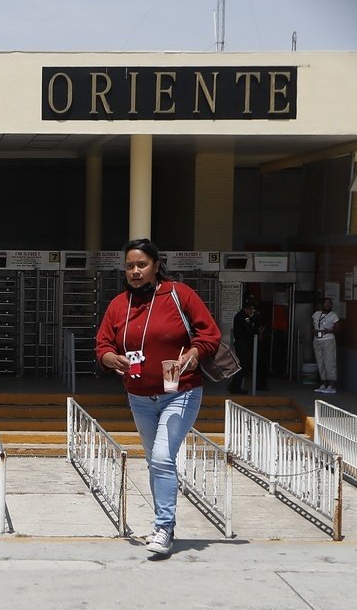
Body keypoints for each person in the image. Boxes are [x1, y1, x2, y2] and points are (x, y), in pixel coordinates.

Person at [95, 238, 220, 557]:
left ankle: (164, 527)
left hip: (180, 391)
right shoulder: (119, 304)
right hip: (139, 396)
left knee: (163, 458)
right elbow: (103, 345)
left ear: (156, 266)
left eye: (142, 264)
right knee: (155, 462)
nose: (135, 271)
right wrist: (112, 359)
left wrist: (193, 354)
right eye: (129, 266)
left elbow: (210, 334)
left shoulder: (179, 294)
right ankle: (163, 524)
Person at [230, 299, 267, 393]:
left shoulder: (243, 316)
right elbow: (248, 330)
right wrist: (257, 332)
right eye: (251, 309)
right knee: (243, 365)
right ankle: (235, 386)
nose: (252, 311)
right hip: (242, 344)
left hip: (243, 344)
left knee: (242, 365)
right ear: (247, 308)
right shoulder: (243, 317)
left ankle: (234, 385)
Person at [312, 297, 340, 394]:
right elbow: (312, 325)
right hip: (317, 340)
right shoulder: (316, 314)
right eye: (325, 303)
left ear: (331, 305)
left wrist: (329, 331)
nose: (327, 305)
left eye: (329, 303)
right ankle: (323, 383)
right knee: (320, 362)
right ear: (322, 304)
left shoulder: (333, 315)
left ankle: (331, 385)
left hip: (328, 340)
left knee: (329, 362)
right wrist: (314, 331)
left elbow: (338, 329)